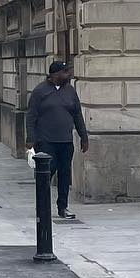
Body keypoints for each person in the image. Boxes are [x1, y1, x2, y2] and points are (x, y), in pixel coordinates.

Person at [25, 61, 89, 223]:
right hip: (46, 141)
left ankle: (63, 207)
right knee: (47, 173)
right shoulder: (40, 91)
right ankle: (42, 206)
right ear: (55, 74)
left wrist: (84, 136)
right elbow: (31, 116)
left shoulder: (70, 92)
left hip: (65, 141)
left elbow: (77, 115)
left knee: (65, 174)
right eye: (65, 72)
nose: (68, 75)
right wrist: (30, 138)